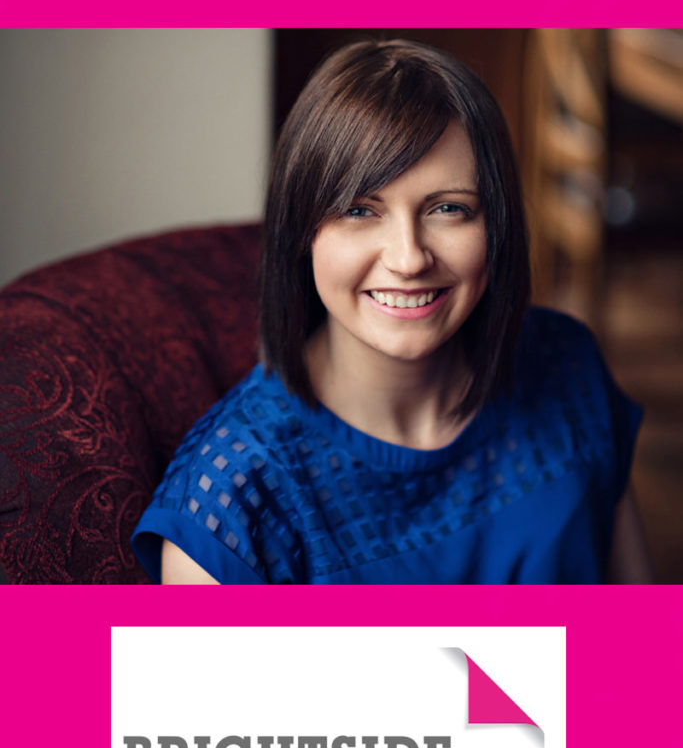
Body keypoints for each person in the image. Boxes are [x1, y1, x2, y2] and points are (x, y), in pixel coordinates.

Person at [132, 39, 651, 584]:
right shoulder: (229, 503)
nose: (408, 258)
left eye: (449, 208)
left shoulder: (568, 365)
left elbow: (647, 652)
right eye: (360, 209)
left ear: (496, 224)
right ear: (301, 231)